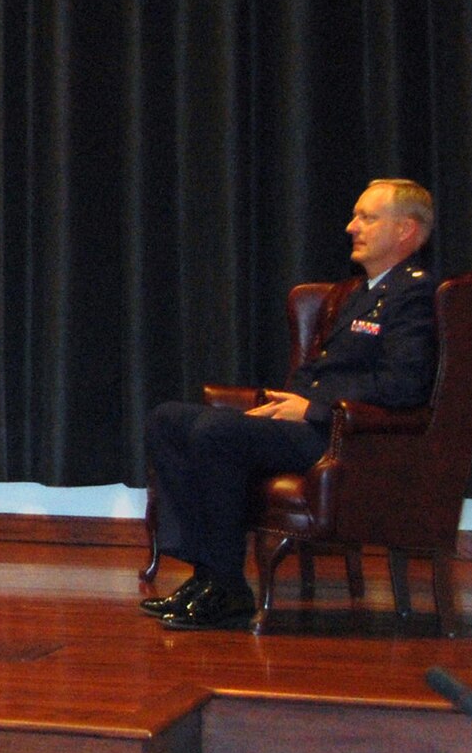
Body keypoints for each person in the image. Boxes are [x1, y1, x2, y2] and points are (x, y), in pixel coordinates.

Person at [142, 178, 437, 630]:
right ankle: (206, 576)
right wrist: (289, 401)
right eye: (356, 215)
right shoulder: (360, 292)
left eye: (367, 217)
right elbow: (323, 371)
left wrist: (312, 409)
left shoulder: (413, 293)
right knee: (169, 419)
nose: (350, 226)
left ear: (406, 231)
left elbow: (406, 385)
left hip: (347, 437)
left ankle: (226, 587)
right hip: (311, 422)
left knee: (216, 432)